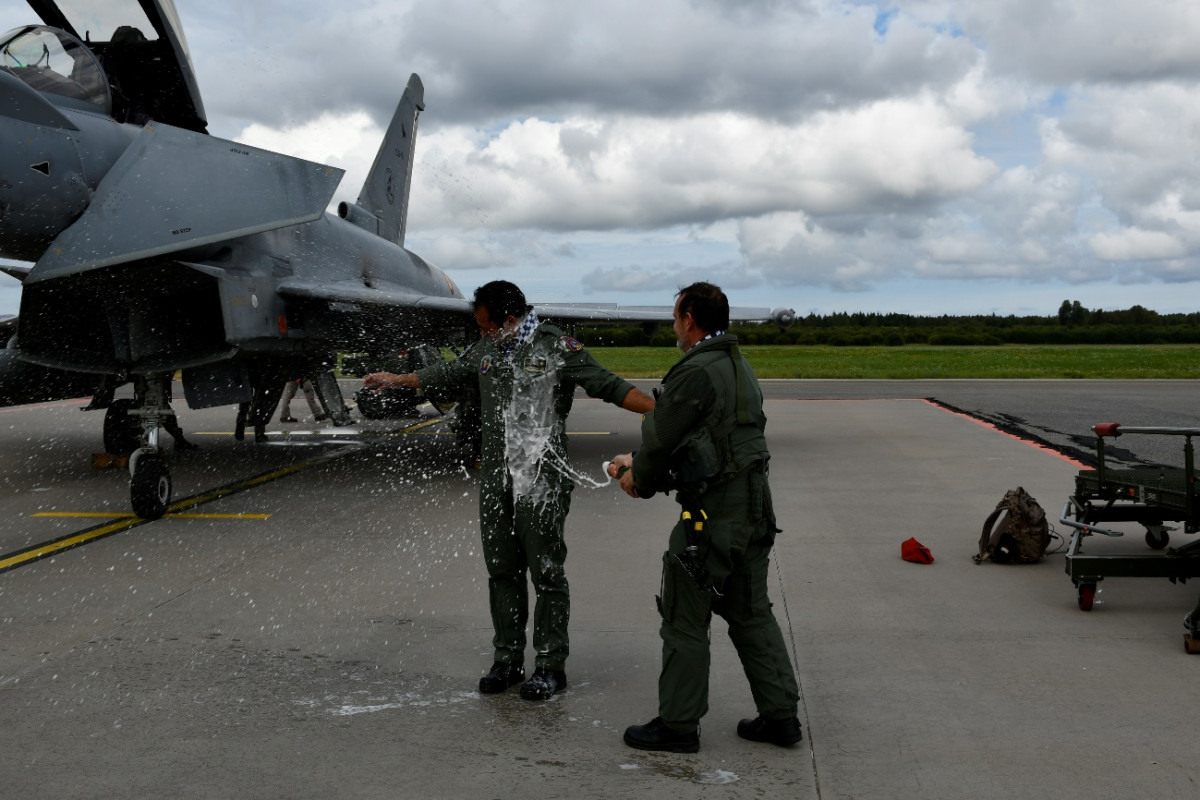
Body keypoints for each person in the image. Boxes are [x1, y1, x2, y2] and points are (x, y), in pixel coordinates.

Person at [364, 281, 654, 701]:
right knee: (501, 569)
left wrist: (661, 411)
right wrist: (398, 380)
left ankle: (551, 666)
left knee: (546, 573)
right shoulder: (489, 349)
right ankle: (508, 660)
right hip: (496, 478)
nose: (481, 333)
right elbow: (449, 372)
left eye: (486, 326)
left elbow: (607, 384)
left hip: (541, 481)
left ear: (510, 320)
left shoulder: (556, 347)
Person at [606, 281, 801, 753]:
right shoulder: (739, 366)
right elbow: (715, 441)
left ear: (690, 319)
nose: (675, 326)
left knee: (684, 617)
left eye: (676, 317)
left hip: (713, 518)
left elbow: (661, 438)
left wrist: (637, 476)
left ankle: (677, 726)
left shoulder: (695, 371)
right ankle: (781, 719)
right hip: (754, 511)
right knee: (751, 613)